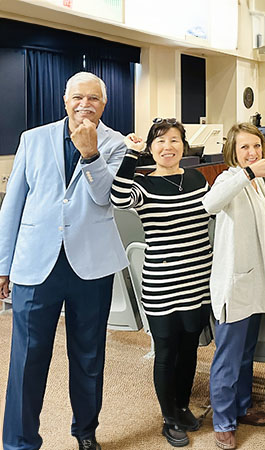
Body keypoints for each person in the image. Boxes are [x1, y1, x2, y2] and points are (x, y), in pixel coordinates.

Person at [0, 72, 128, 450]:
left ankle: (85, 431)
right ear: (65, 99)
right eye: (78, 96)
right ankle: (20, 441)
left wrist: (91, 154)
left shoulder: (117, 145)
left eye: (93, 98)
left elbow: (106, 197)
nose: (85, 103)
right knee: (26, 358)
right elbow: (13, 204)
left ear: (104, 105)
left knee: (88, 355)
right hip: (36, 262)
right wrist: (3, 263)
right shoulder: (33, 139)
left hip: (91, 264)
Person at [110, 118, 212, 447]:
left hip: (198, 279)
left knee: (190, 348)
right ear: (151, 148)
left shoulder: (197, 178)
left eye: (174, 140)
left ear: (184, 145)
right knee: (167, 351)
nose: (167, 147)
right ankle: (169, 418)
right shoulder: (143, 185)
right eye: (160, 141)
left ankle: (182, 407)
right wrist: (130, 154)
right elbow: (117, 198)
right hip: (163, 281)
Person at [202, 123, 265, 450]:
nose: (252, 153)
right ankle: (222, 421)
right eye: (244, 148)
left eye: (256, 147)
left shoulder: (257, 184)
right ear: (233, 153)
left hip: (256, 282)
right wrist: (247, 173)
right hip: (234, 287)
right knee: (228, 357)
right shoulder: (230, 178)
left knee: (246, 354)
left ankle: (241, 407)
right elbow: (211, 204)